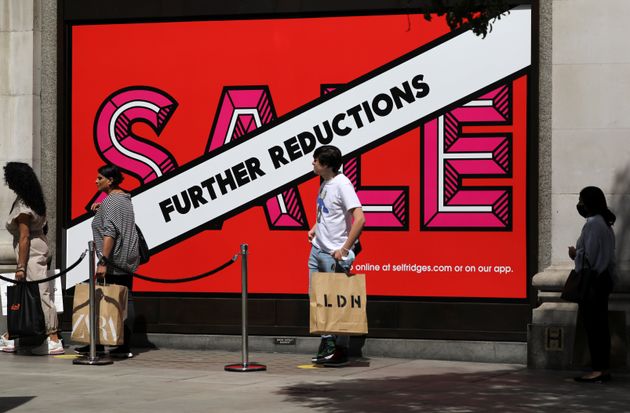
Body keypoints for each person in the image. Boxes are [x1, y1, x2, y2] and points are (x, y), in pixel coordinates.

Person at [308, 145, 365, 366]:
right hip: (317, 249)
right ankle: (327, 343)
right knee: (318, 300)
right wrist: (316, 227)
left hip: (333, 255)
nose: (312, 163)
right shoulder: (325, 183)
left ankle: (340, 349)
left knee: (338, 301)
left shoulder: (342, 184)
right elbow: (329, 212)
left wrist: (345, 249)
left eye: (316, 160)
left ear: (327, 165)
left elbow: (359, 219)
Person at [75, 164, 140, 358]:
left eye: (100, 178)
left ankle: (97, 343)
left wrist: (103, 261)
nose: (96, 181)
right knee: (125, 299)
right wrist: (101, 210)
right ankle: (122, 344)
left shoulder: (111, 201)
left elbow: (110, 232)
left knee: (103, 298)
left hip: (113, 260)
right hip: (127, 258)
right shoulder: (124, 199)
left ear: (110, 181)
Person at [3, 162, 64, 355]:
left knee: (39, 291)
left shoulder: (23, 205)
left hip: (30, 251)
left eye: (10, 180)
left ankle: (53, 337)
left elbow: (24, 237)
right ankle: (11, 335)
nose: (8, 184)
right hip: (38, 246)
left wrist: (20, 266)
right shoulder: (34, 199)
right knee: (34, 291)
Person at [568, 186, 616, 383]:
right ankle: (602, 368)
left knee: (593, 326)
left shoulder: (592, 224)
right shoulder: (605, 224)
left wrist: (575, 254)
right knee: (600, 326)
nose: (579, 204)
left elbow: (590, 256)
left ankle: (597, 368)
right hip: (603, 280)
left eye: (581, 200)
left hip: (592, 281)